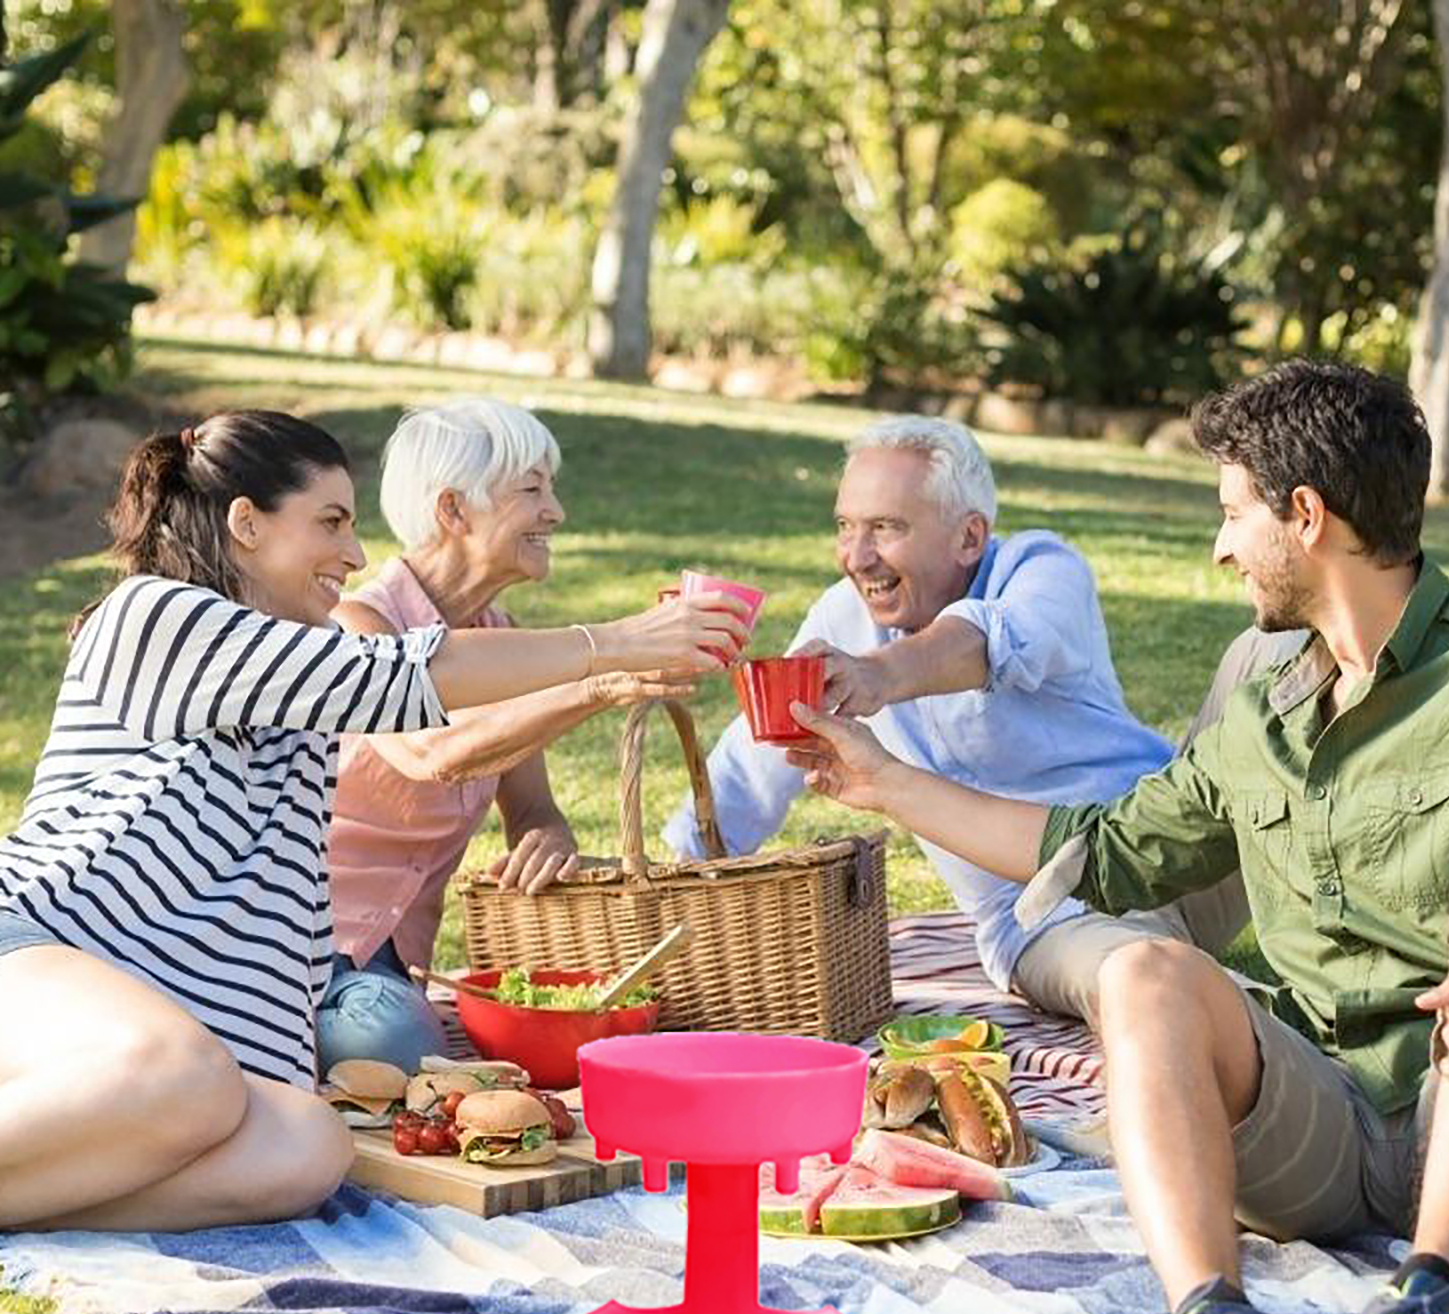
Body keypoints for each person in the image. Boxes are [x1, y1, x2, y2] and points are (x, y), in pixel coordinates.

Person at [783, 361, 1449, 1314]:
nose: (1219, 549)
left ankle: (1428, 1310)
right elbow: (1103, 849)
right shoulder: (1266, 708)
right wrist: (881, 781)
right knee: (1140, 971)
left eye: (1232, 514)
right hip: (1329, 1129)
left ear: (1305, 516)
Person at [0, 410, 748, 1232]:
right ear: (247, 524)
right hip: (36, 953)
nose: (355, 555)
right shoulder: (156, 616)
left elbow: (286, 927)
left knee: (307, 1144)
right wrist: (616, 644)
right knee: (188, 1075)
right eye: (330, 522)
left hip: (164, 1040)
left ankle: (37, 1193)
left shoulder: (299, 709)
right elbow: (395, 677)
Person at [663, 415, 1292, 1012]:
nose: (857, 556)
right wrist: (674, 877)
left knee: (1278, 644)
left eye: (885, 528)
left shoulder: (1042, 570)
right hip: (1048, 918)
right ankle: (1271, 1025)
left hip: (1177, 847)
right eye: (845, 526)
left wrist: (877, 674)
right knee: (1150, 986)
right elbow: (755, 758)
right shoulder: (841, 618)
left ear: (970, 537)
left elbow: (990, 640)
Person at [319, 397, 691, 1071]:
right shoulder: (359, 626)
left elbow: (532, 808)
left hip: (398, 964)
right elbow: (431, 751)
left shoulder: (501, 636)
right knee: (391, 1046)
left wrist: (548, 836)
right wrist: (599, 680)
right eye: (531, 491)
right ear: (453, 510)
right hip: (313, 945)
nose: (556, 512)